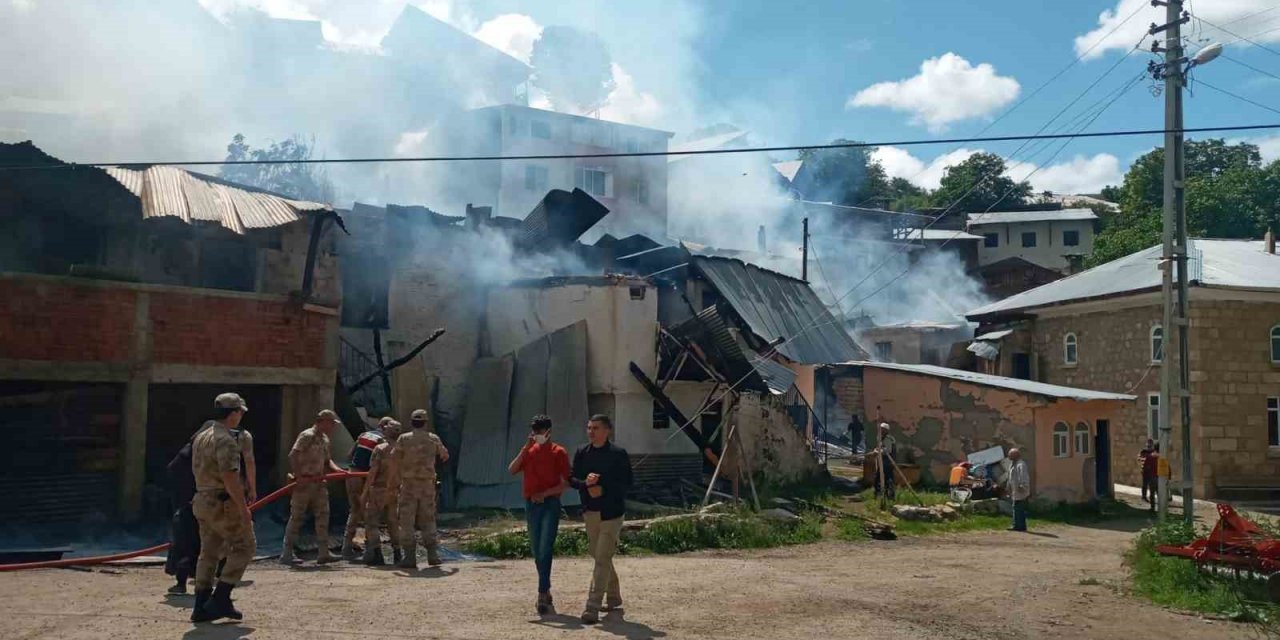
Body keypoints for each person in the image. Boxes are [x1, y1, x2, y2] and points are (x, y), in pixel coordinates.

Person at [188, 393, 256, 623]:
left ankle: (200, 605)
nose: (241, 416)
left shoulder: (202, 436)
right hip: (222, 503)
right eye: (240, 412)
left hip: (202, 500)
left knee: (208, 552)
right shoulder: (226, 440)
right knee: (245, 546)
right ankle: (220, 599)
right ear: (234, 413)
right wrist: (243, 508)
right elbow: (230, 477)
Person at [569, 414, 632, 625]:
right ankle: (613, 597)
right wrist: (586, 484)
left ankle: (592, 607)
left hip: (612, 513)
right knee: (598, 555)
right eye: (589, 428)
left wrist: (602, 487)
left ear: (607, 431)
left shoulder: (618, 454)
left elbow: (626, 483)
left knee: (602, 557)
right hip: (591, 512)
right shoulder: (582, 453)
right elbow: (572, 479)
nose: (591, 432)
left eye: (595, 428)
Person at [508, 414, 571, 615]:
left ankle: (542, 593)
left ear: (549, 432)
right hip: (531, 505)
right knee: (536, 549)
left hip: (550, 503)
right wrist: (524, 448)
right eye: (534, 430)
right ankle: (546, 588)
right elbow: (512, 469)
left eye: (540, 431)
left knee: (546, 546)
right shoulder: (529, 451)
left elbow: (566, 482)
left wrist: (544, 494)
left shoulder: (558, 452)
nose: (537, 434)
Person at [280, 409, 345, 565]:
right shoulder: (307, 435)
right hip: (304, 484)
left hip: (319, 483)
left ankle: (323, 553)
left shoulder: (325, 439)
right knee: (297, 517)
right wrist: (299, 475)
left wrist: (339, 471)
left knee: (323, 516)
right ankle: (287, 554)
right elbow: (293, 455)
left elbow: (328, 461)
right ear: (321, 421)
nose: (332, 427)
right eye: (330, 423)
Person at [392, 409, 450, 569]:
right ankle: (432, 555)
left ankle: (409, 557)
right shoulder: (433, 439)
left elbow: (394, 458)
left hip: (409, 485)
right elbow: (445, 456)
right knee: (428, 519)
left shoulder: (403, 439)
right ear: (425, 423)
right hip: (427, 485)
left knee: (406, 520)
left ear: (411, 422)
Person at [342, 417, 391, 561]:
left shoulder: (363, 435)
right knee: (371, 514)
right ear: (385, 427)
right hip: (365, 477)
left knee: (355, 511)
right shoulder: (382, 441)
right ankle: (371, 551)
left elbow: (349, 455)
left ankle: (346, 548)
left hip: (352, 474)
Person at [361, 419, 405, 565]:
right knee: (393, 522)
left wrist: (365, 492)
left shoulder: (380, 449)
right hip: (394, 491)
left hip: (378, 490)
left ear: (387, 431)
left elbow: (372, 472)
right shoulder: (402, 450)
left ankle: (377, 554)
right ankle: (397, 554)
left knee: (372, 522)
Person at [164, 432, 200, 595]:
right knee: (188, 544)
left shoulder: (191, 454)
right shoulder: (189, 456)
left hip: (192, 504)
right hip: (191, 506)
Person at [1007, 448, 1031, 532]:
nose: (1009, 456)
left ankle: (1018, 526)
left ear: (1015, 455)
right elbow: (1010, 477)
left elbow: (1023, 476)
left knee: (1018, 508)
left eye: (1010, 454)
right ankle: (1019, 525)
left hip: (1020, 490)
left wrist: (1022, 486)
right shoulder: (1012, 464)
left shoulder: (1021, 464)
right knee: (1017, 508)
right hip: (1015, 490)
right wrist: (1008, 487)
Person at [873, 422, 897, 501]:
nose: (881, 431)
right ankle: (881, 495)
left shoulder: (888, 439)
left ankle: (887, 496)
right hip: (882, 461)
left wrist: (878, 452)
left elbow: (888, 451)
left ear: (886, 431)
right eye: (880, 429)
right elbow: (878, 447)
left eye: (883, 429)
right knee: (880, 478)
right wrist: (875, 450)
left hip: (888, 461)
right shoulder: (880, 438)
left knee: (885, 479)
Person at [1139, 438, 1156, 504]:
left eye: (1150, 443)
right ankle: (1144, 496)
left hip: (1151, 471)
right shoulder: (1144, 451)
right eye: (1148, 443)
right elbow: (1139, 458)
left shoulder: (1153, 452)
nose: (1149, 445)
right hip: (1145, 470)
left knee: (1152, 485)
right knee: (1145, 484)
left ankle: (1152, 498)